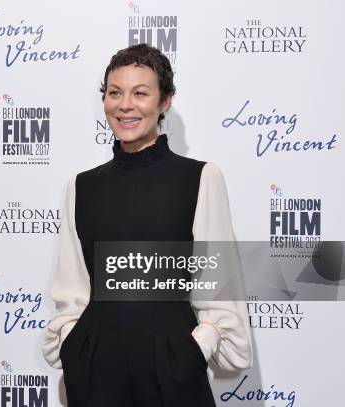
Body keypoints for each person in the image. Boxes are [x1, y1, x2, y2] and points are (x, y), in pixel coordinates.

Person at [42, 44, 253, 406]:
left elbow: (218, 287)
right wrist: (73, 342)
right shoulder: (81, 185)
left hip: (172, 372)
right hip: (95, 374)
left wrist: (194, 348)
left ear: (165, 101)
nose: (125, 105)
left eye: (140, 93)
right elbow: (71, 285)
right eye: (115, 93)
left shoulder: (200, 178)